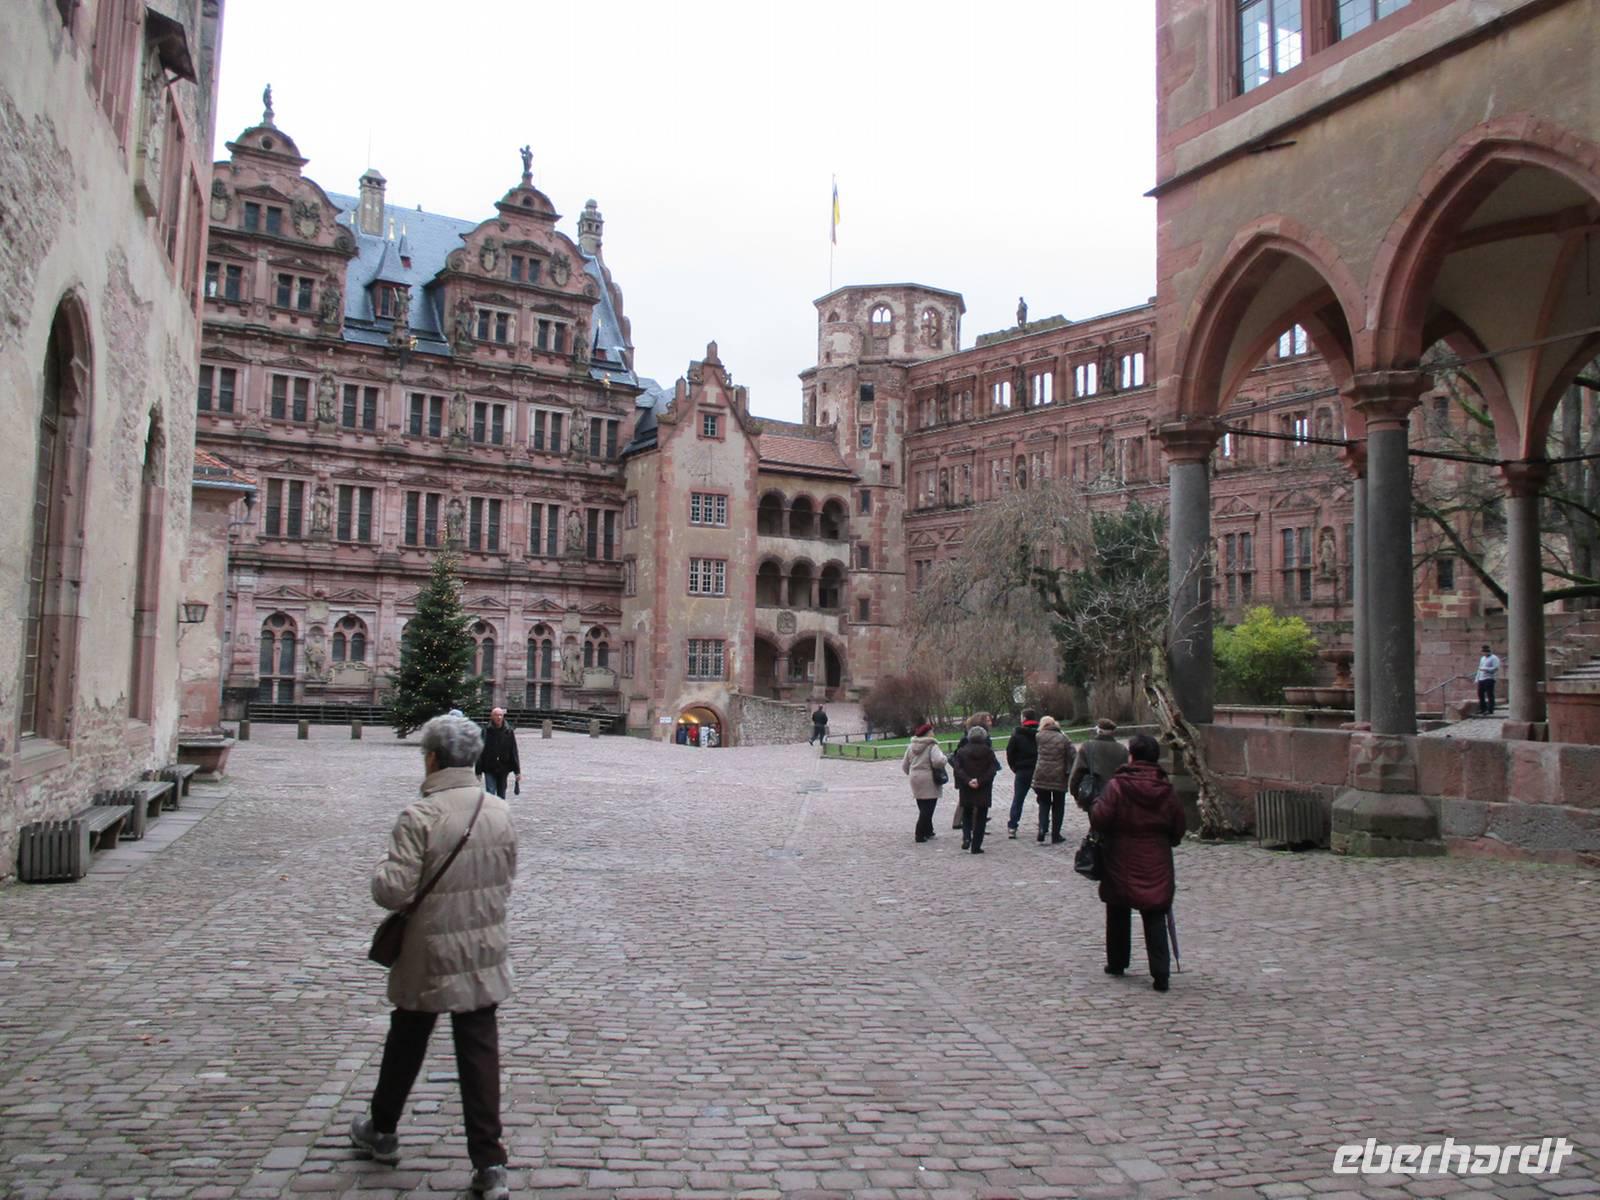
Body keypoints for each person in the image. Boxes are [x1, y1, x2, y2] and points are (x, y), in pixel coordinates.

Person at [351, 713, 517, 1199]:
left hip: (427, 947)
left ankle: (382, 1129)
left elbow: (394, 891)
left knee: (406, 1039)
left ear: (432, 758)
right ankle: (490, 1164)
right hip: (483, 944)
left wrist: (382, 868)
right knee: (479, 1052)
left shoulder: (419, 815)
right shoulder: (498, 811)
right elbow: (506, 878)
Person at [1090, 733, 1186, 993]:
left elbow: (1101, 817)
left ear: (1132, 755)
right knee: (1154, 912)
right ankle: (1160, 973)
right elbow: (1178, 824)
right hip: (1155, 856)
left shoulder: (1118, 785)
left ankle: (1118, 961)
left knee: (1118, 909)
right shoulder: (1164, 788)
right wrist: (1168, 840)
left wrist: (1095, 805)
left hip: (1121, 854)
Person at [951, 724, 1000, 854]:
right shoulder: (988, 751)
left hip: (967, 787)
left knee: (967, 813)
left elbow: (958, 769)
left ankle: (967, 837)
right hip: (983, 787)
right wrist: (981, 780)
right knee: (981, 817)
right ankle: (976, 846)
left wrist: (968, 780)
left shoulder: (962, 751)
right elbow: (993, 769)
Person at [901, 722, 947, 843]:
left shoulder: (911, 746)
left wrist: (912, 773)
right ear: (928, 733)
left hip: (915, 778)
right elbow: (938, 761)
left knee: (922, 805)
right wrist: (945, 758)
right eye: (932, 730)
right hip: (928, 777)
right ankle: (919, 833)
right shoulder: (932, 746)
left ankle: (928, 830)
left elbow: (905, 765)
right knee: (929, 807)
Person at [1031, 715, 1073, 844]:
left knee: (1044, 803)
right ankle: (1056, 835)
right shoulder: (1063, 738)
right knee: (1058, 806)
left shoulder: (1038, 737)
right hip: (1058, 775)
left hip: (1041, 773)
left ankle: (1043, 828)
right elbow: (1072, 754)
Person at [1070, 718, 1125, 813]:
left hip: (1095, 796)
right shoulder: (1123, 749)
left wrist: (1075, 793)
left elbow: (1077, 772)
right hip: (1118, 795)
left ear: (1098, 731)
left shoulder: (1087, 747)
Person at [950, 712, 993, 831]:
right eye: (988, 720)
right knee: (972, 798)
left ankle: (960, 821)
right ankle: (974, 825)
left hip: (970, 772)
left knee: (966, 798)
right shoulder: (973, 738)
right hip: (969, 772)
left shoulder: (978, 736)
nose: (991, 723)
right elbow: (959, 755)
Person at [1004, 708, 1040, 839]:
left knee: (1018, 799)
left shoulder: (1017, 735)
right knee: (1043, 799)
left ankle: (1013, 825)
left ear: (1024, 718)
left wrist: (1014, 767)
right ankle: (1044, 824)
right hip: (1038, 769)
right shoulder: (1041, 733)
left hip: (1022, 770)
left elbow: (1010, 753)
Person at [475, 707, 520, 799]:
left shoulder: (509, 731)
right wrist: (478, 770)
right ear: (491, 717)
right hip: (489, 766)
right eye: (496, 715)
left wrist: (517, 771)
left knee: (501, 793)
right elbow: (480, 751)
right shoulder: (485, 731)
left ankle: (500, 811)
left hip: (504, 767)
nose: (499, 717)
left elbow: (513, 751)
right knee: (490, 792)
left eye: (501, 715)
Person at [1475, 643, 1502, 715]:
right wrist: (1477, 678)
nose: (1483, 653)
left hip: (1489, 678)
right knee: (1480, 694)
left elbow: (1495, 668)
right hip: (1481, 678)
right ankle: (1483, 708)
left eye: (1484, 652)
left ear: (1488, 651)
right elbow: (1479, 668)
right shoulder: (1482, 658)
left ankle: (1490, 709)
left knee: (1490, 694)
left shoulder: (1494, 658)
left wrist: (1485, 669)